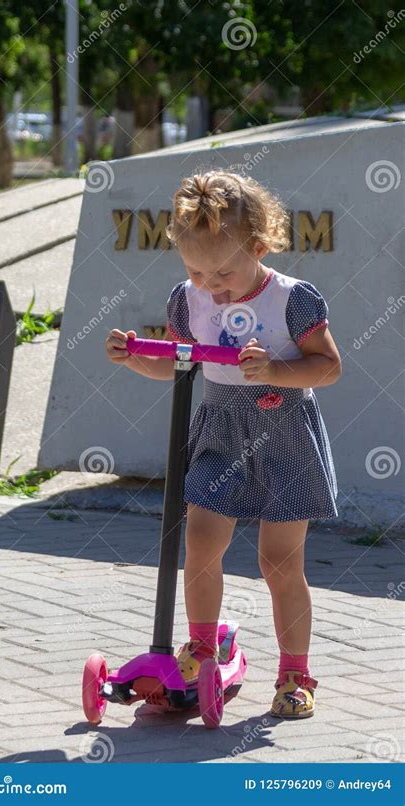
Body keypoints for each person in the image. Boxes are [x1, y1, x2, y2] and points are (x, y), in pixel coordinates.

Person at [106, 170, 341, 719]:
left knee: (279, 563)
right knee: (201, 544)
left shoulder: (292, 299)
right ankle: (204, 648)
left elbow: (328, 367)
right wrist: (135, 357)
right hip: (218, 432)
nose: (211, 283)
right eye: (195, 269)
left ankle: (295, 674)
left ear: (258, 247)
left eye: (225, 270)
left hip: (284, 434)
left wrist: (276, 369)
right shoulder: (189, 299)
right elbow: (179, 366)